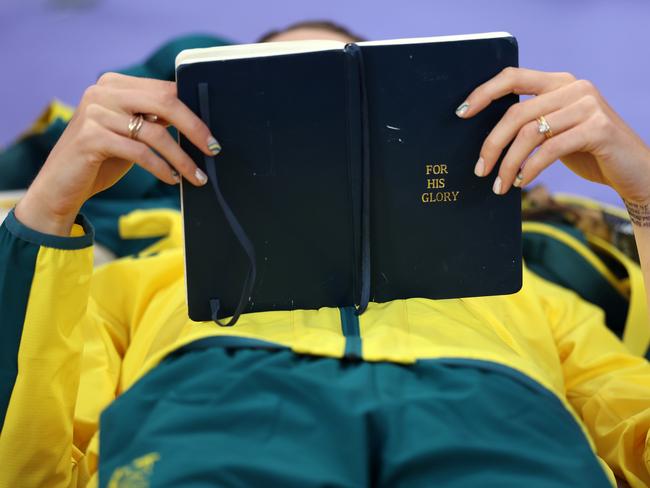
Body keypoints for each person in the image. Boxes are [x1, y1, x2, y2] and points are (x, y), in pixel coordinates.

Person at [1, 20, 650, 488]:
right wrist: (49, 207)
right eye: (282, 102)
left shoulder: (530, 290)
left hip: (503, 408)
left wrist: (642, 191)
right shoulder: (140, 280)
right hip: (209, 401)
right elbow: (26, 468)